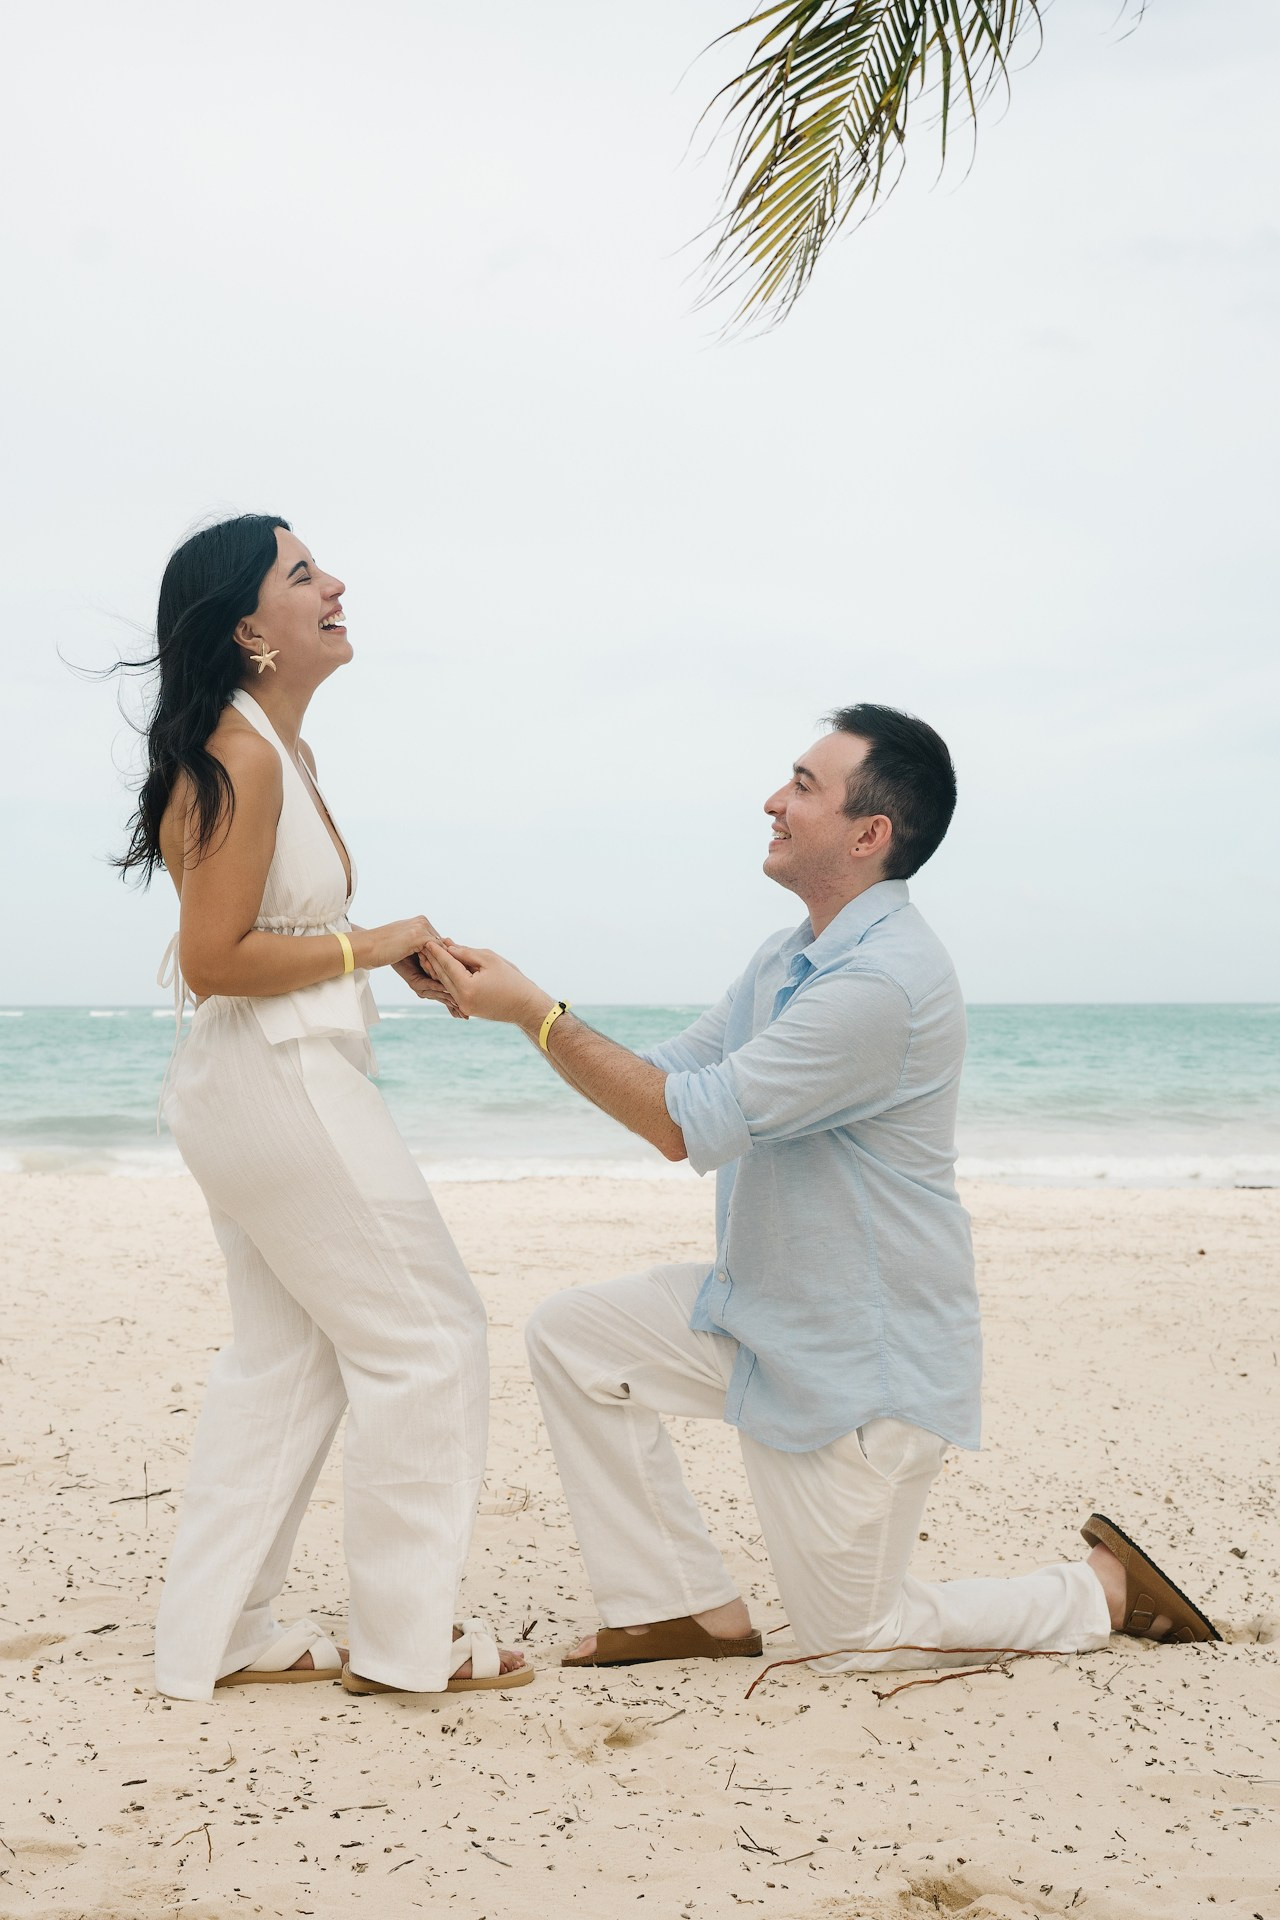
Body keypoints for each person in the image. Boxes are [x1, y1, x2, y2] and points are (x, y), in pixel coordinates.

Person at [423, 703, 1219, 1674]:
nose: (772, 800)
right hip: (763, 1316)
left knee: (852, 1639)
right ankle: (679, 1609)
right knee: (576, 1336)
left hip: (856, 1372)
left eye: (802, 785)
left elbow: (682, 1121)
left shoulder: (880, 983)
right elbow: (664, 1077)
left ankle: (1097, 1590)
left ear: (867, 833)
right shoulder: (786, 956)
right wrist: (509, 1005)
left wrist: (536, 1016)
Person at [119, 513, 532, 1700]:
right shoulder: (243, 754)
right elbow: (213, 957)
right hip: (277, 1078)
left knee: (287, 1361)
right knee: (430, 1338)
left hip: (257, 1082)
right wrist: (370, 943)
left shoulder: (269, 749)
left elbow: (256, 939)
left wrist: (364, 952)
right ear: (248, 627)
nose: (335, 583)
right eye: (303, 574)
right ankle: (408, 1646)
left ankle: (219, 1635)